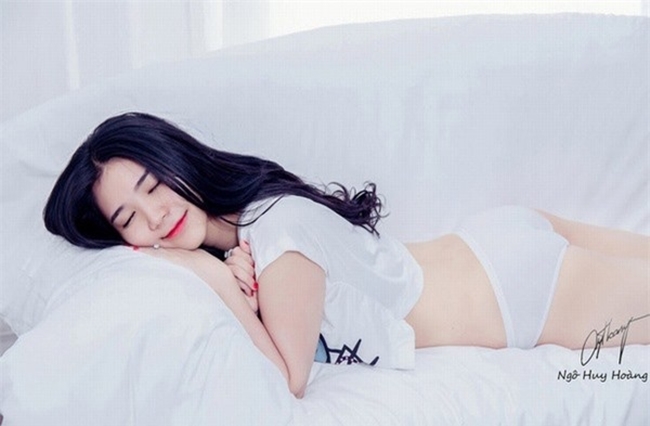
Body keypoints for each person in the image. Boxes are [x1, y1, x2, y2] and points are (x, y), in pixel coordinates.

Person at [44, 112, 649, 398]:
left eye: (153, 185)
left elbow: (286, 379)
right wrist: (227, 273)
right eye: (129, 217)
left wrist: (207, 272)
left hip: (519, 294)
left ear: (176, 161)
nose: (155, 216)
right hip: (494, 245)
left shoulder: (274, 234)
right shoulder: (254, 224)